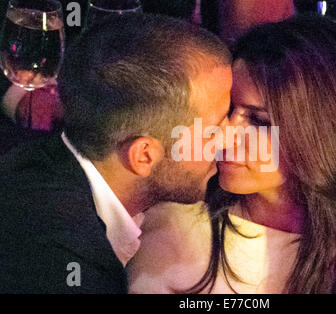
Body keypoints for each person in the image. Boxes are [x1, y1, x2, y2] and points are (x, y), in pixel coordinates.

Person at [128, 15, 336, 293]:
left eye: (258, 120)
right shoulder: (170, 226)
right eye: (226, 112)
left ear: (324, 132)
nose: (226, 134)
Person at [0, 13, 232, 293]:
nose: (231, 138)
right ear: (143, 156)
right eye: (214, 130)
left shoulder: (35, 162)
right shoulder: (68, 267)